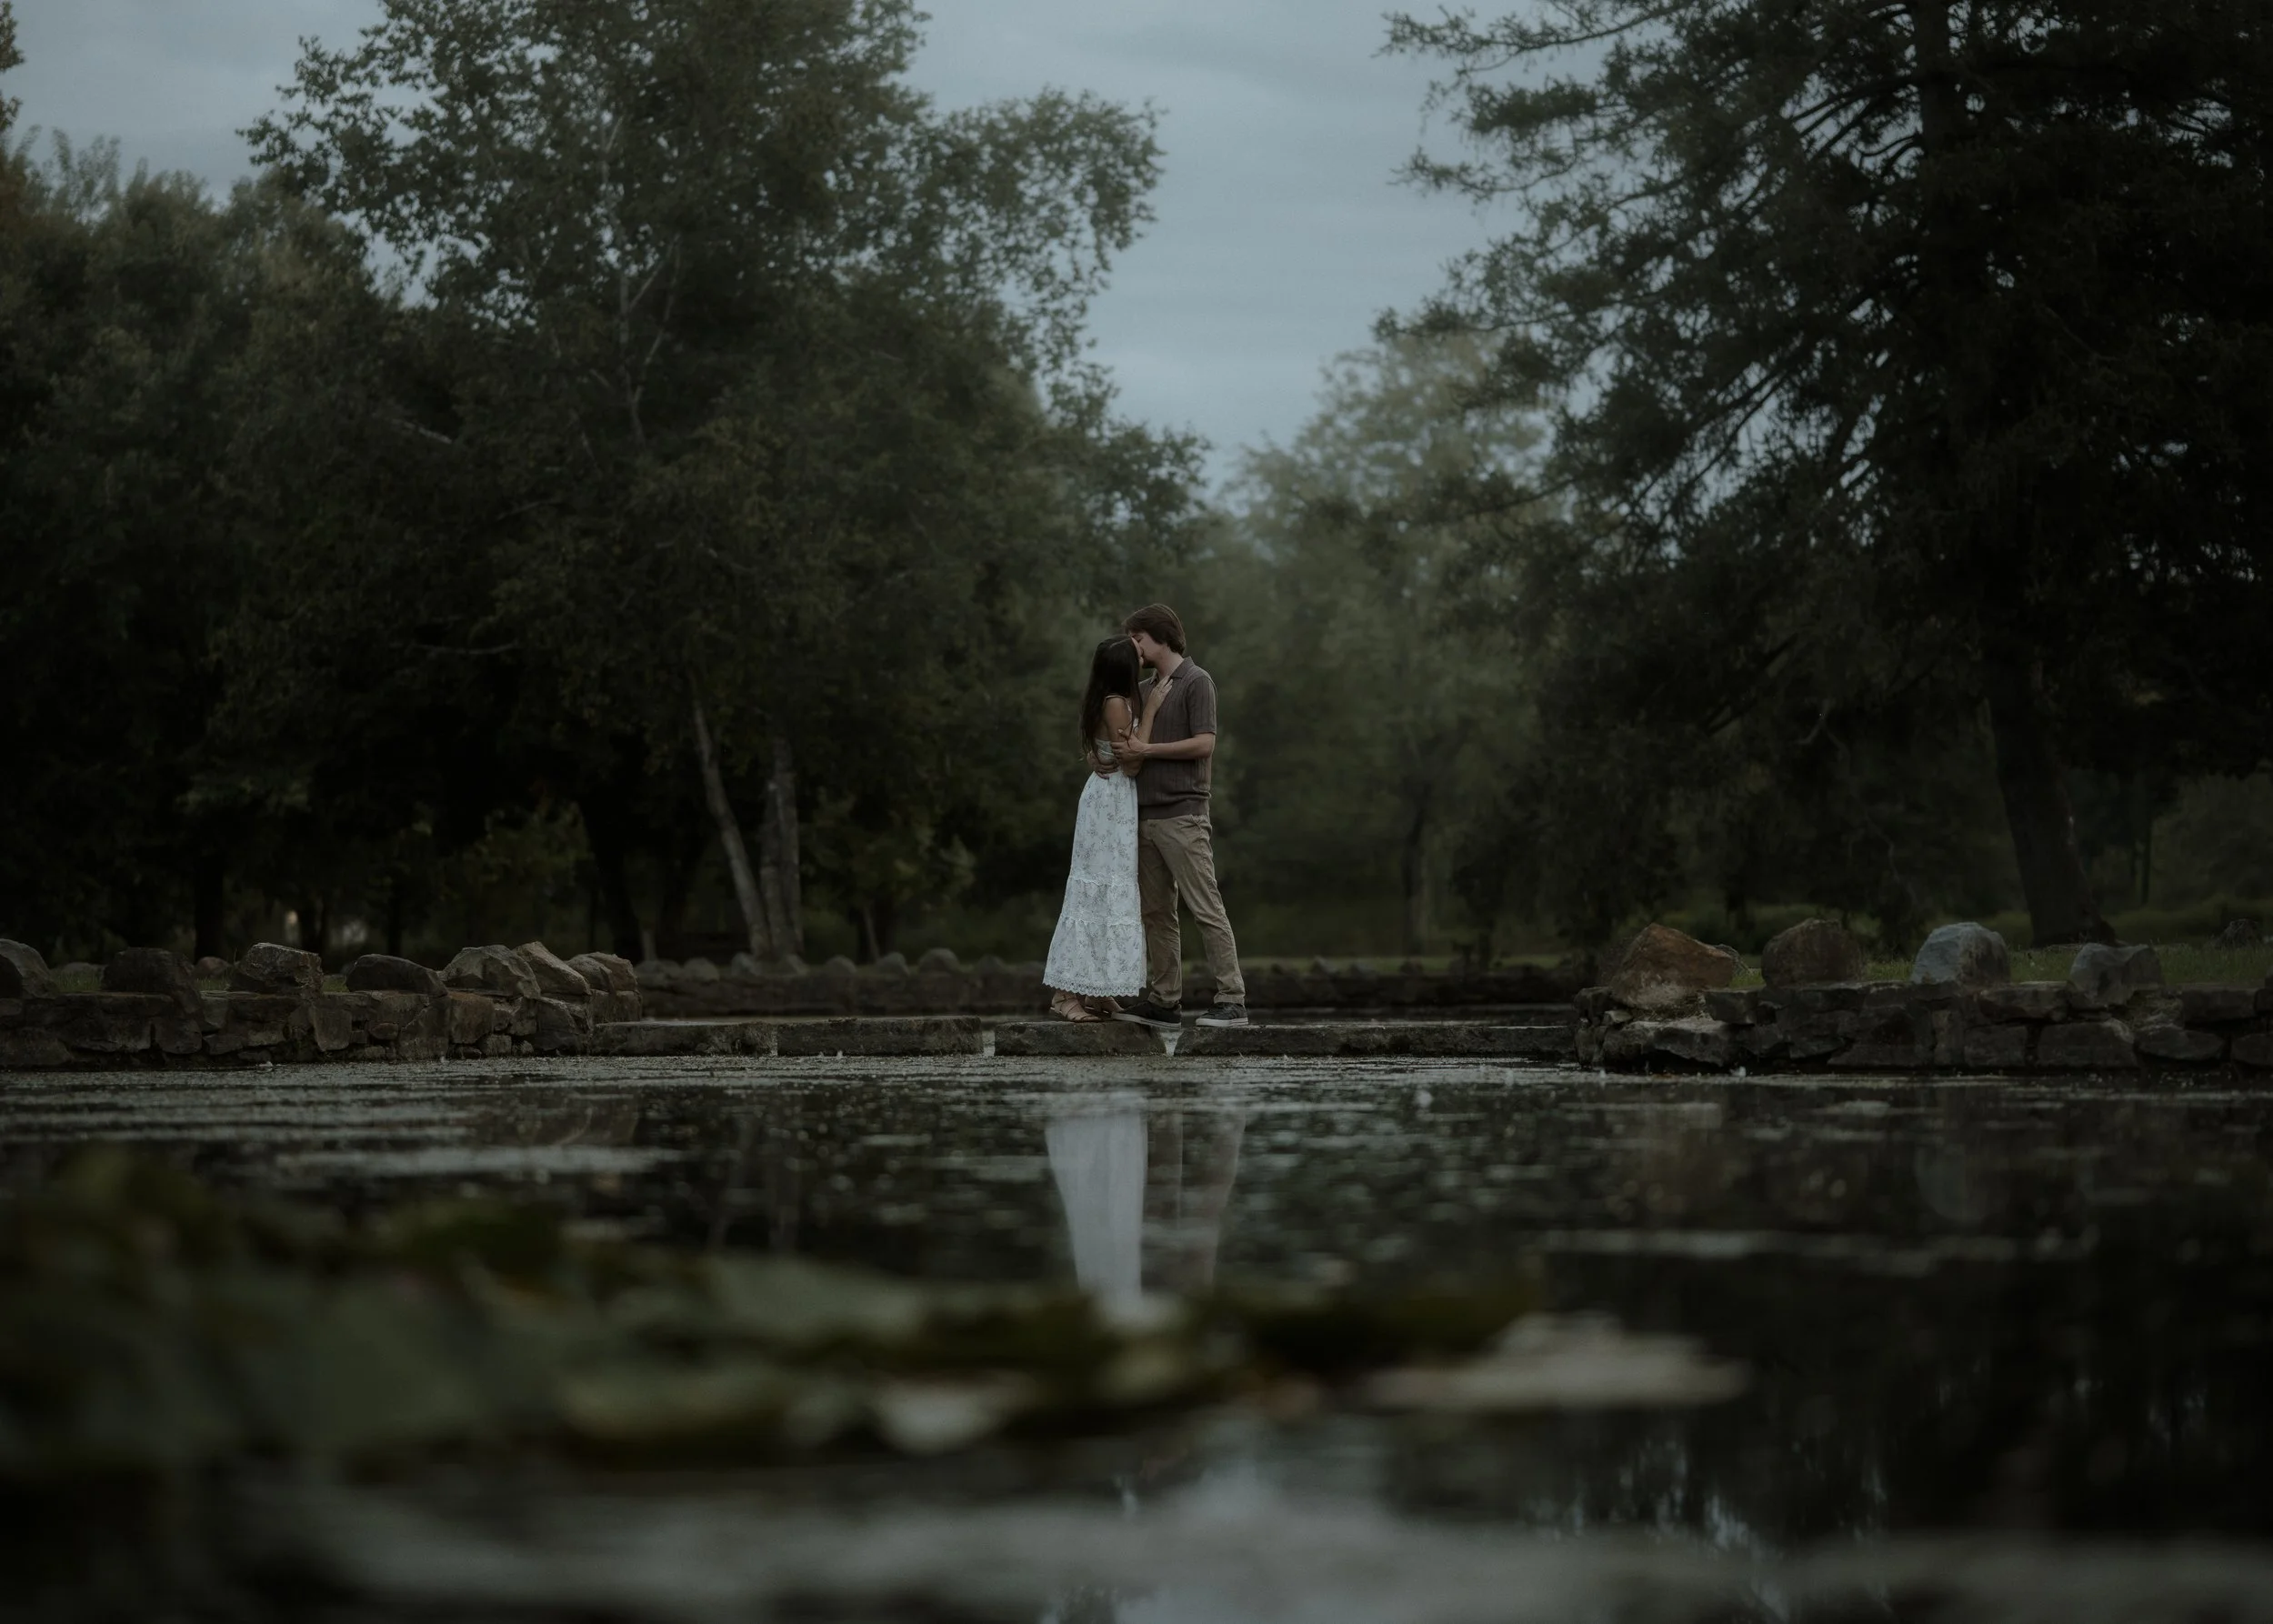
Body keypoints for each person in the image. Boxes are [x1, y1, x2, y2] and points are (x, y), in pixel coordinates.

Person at [1107, 604, 1248, 1028]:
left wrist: (1146, 751)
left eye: (1139, 638)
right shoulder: (1145, 689)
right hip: (1144, 816)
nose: (1135, 646)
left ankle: (1233, 999)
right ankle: (1164, 1000)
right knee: (1156, 913)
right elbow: (1127, 750)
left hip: (1184, 815)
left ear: (1159, 637)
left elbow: (1204, 744)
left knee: (1206, 907)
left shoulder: (1197, 681)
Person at [1041, 636, 1173, 1020]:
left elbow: (1114, 752)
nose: (1142, 654)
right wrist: (1150, 714)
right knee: (1093, 892)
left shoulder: (1111, 699)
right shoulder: (1116, 703)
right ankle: (1065, 995)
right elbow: (1131, 764)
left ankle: (1097, 991)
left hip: (1116, 804)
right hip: (1108, 806)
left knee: (1112, 893)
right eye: (1136, 654)